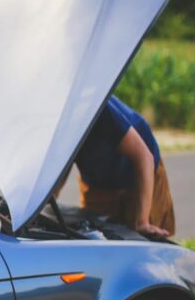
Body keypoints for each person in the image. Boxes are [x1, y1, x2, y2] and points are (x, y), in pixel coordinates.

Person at [73, 95, 176, 239]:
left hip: (140, 170)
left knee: (144, 238)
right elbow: (57, 167)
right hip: (97, 179)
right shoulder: (48, 121)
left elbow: (144, 158)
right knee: (96, 238)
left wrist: (142, 222)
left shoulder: (96, 107)